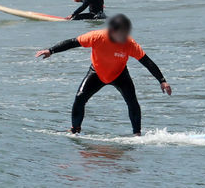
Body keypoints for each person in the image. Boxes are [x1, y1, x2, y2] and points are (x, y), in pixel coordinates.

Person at [35, 13, 172, 136]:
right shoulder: (97, 36)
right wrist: (51, 51)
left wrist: (162, 80)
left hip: (119, 74)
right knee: (80, 98)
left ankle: (137, 134)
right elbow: (73, 42)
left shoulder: (129, 43)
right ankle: (75, 129)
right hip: (97, 73)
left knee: (132, 102)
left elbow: (147, 62)